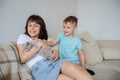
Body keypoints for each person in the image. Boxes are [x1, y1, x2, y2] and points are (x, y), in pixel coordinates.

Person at [17, 14, 94, 80]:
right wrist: (39, 44)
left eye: (35, 26)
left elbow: (49, 55)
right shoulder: (23, 37)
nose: (32, 28)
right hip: (41, 69)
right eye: (29, 25)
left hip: (54, 62)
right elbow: (23, 58)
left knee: (81, 72)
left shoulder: (43, 40)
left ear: (41, 28)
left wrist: (54, 53)